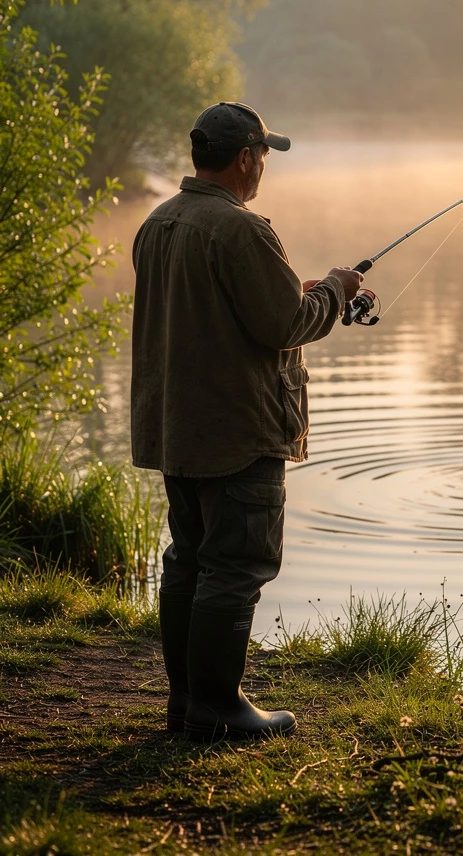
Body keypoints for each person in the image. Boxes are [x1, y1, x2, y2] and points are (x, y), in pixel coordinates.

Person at [131, 102, 362, 741]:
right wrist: (336, 291)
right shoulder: (241, 230)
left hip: (176, 428)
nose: (263, 168)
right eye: (262, 156)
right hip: (238, 429)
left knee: (189, 560)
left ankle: (186, 704)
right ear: (243, 158)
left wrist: (305, 295)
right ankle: (216, 708)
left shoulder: (156, 223)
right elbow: (286, 326)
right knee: (235, 567)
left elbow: (224, 311)